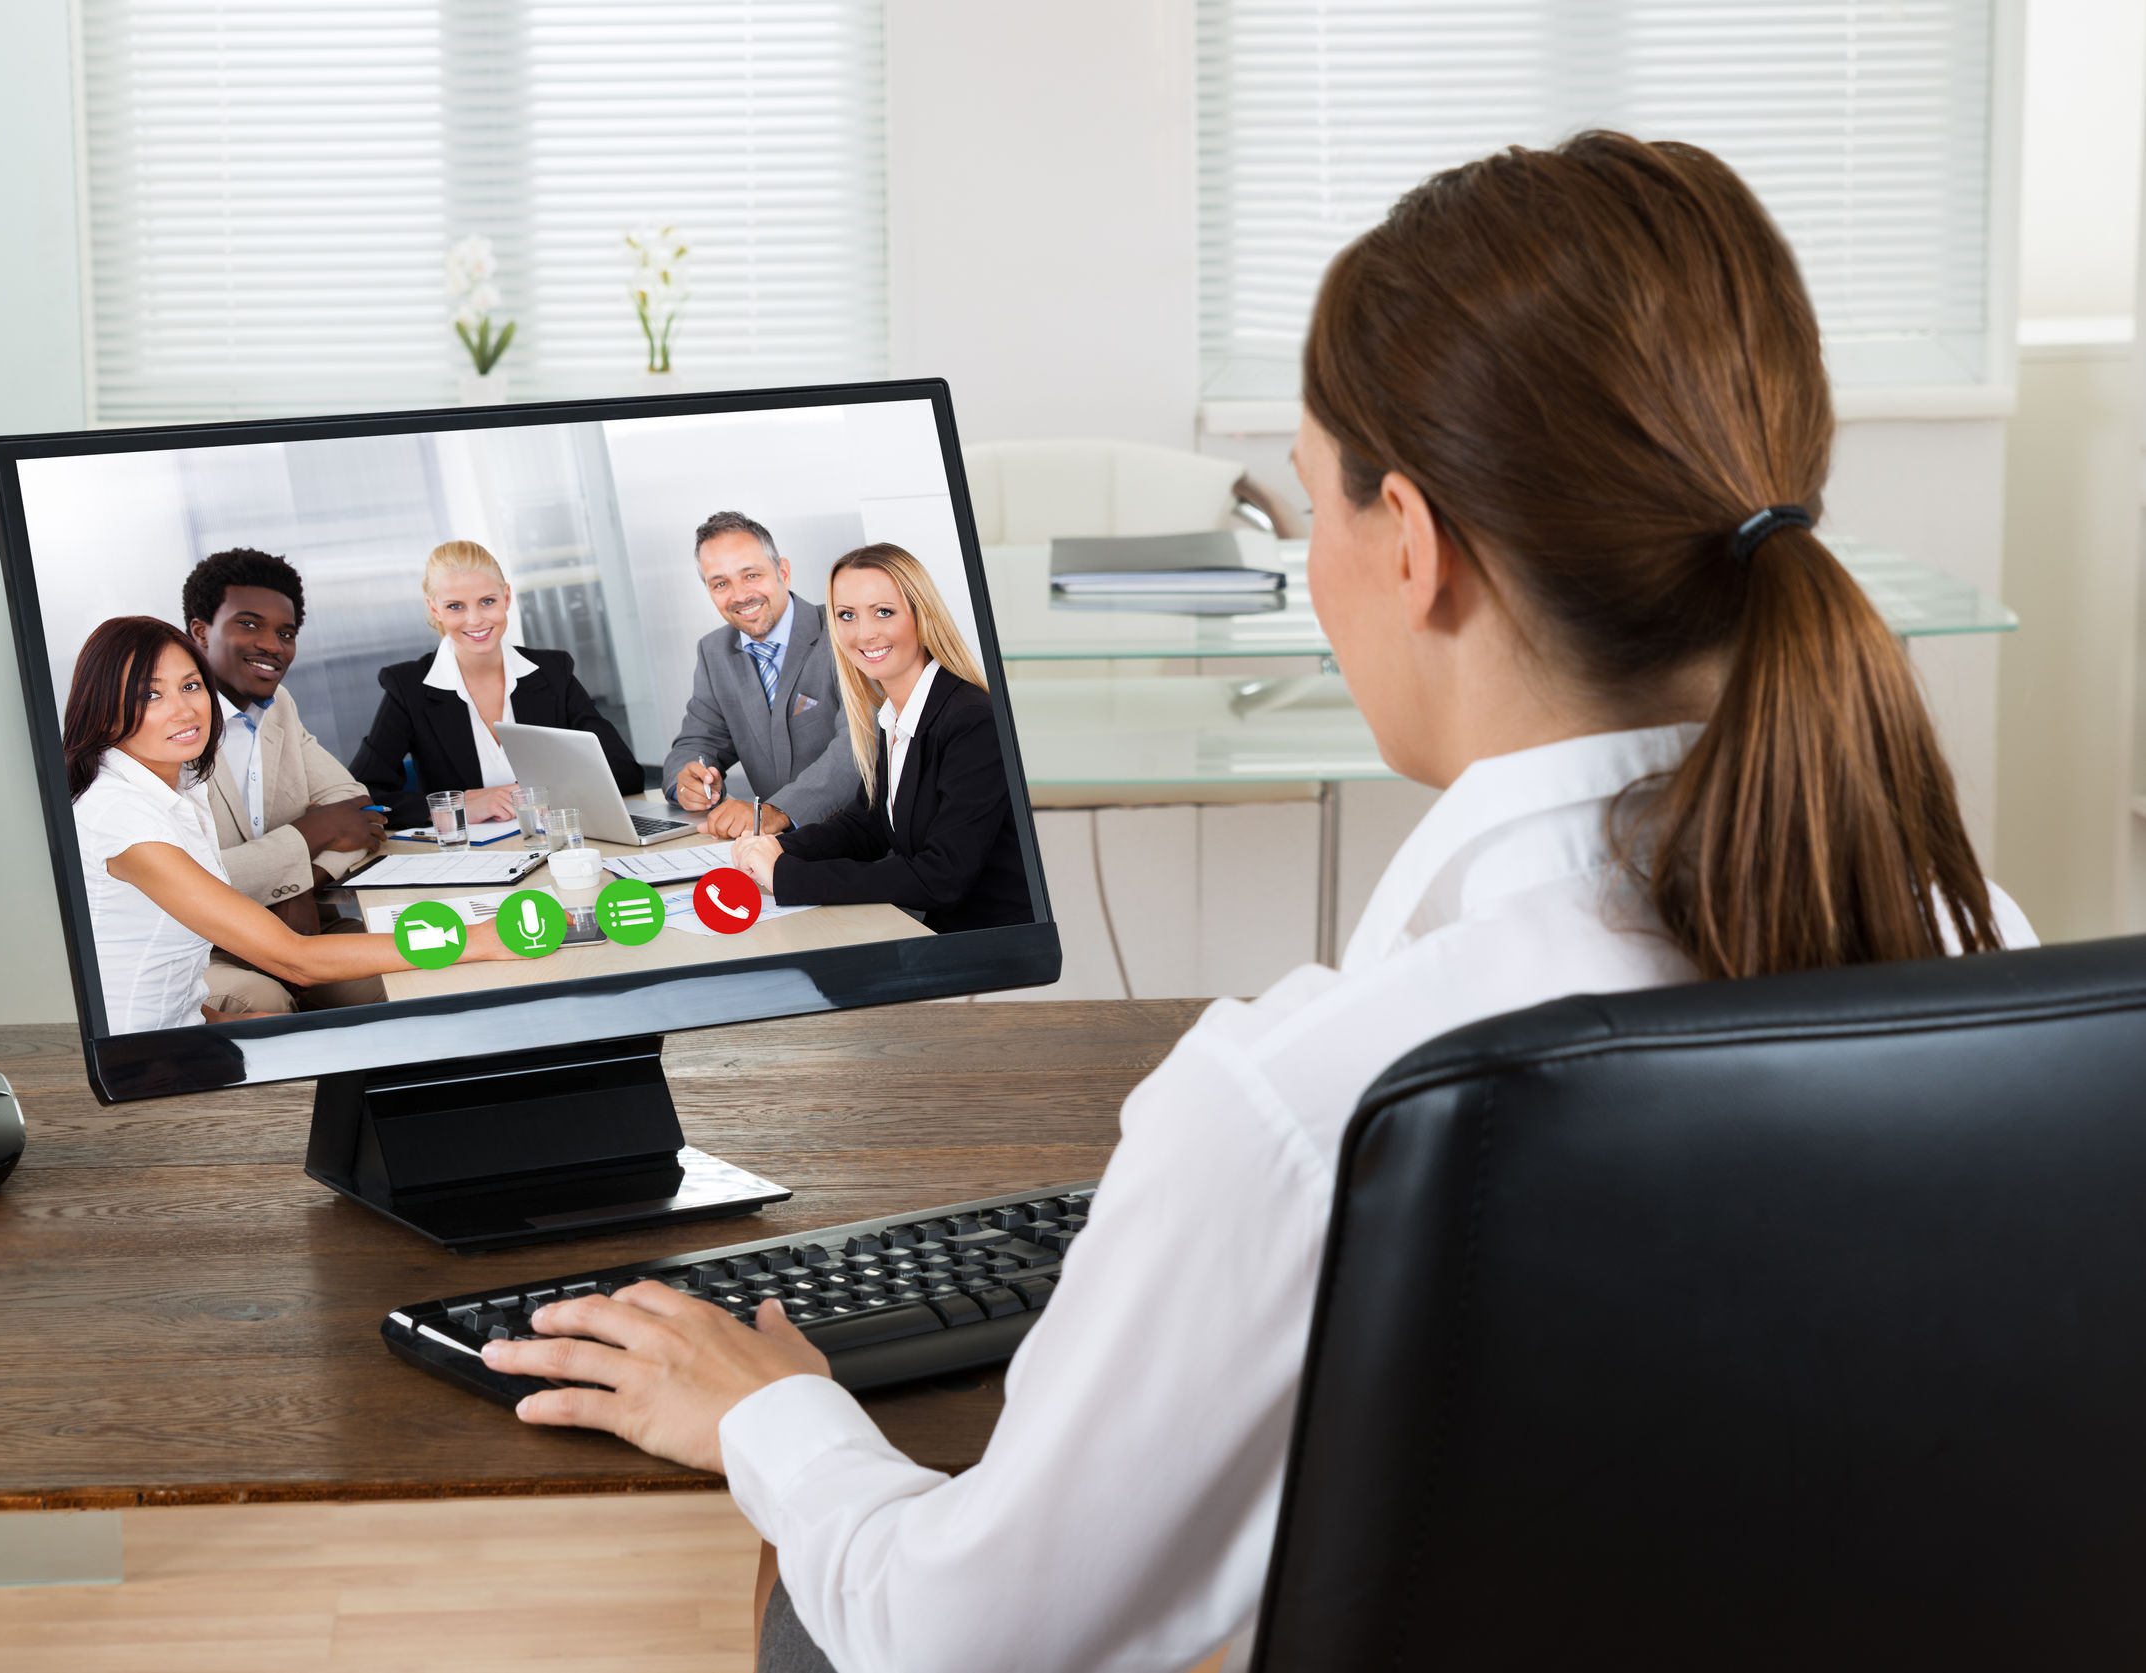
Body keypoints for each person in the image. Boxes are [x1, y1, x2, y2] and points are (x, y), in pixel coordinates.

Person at [474, 132, 2041, 1673]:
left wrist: (770, 1416)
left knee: (820, 1617)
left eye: (1308, 510)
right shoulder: (1994, 958)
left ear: (1411, 543)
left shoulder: (1313, 1106)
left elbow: (958, 1640)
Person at [67, 616, 513, 1034]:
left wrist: (217, 1022)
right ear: (104, 710)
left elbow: (157, 964)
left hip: (184, 1031)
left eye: (190, 686)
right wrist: (478, 938)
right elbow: (296, 959)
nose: (184, 710)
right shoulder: (120, 816)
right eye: (151, 695)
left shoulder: (178, 787)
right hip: (136, 1059)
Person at [724, 543, 1031, 933]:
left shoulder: (971, 721)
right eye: (846, 615)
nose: (864, 633)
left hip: (995, 943)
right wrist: (778, 849)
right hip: (935, 933)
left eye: (883, 612)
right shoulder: (896, 714)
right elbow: (868, 825)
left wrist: (786, 876)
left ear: (922, 616)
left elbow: (941, 877)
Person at [181, 547, 389, 1015]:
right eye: (249, 624)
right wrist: (309, 835)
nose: (273, 645)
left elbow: (359, 810)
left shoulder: (279, 708)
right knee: (264, 1001)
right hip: (202, 947)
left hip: (303, 925)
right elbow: (185, 880)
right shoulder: (170, 723)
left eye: (286, 632)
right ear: (200, 631)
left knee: (415, 961)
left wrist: (298, 885)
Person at [350, 540, 644, 823]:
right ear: (434, 608)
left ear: (506, 597)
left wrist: (532, 795)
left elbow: (625, 772)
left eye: (487, 601)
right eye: (455, 606)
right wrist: (460, 805)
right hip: (471, 860)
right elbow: (363, 796)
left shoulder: (551, 672)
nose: (475, 619)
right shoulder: (409, 687)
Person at [663, 510, 863, 838]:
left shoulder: (843, 631)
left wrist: (778, 811)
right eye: (720, 583)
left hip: (862, 842)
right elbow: (697, 741)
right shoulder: (715, 652)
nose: (740, 595)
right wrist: (688, 783)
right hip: (777, 851)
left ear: (782, 571)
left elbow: (858, 747)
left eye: (751, 575)